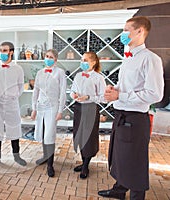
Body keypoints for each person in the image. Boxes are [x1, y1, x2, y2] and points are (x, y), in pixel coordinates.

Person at [98, 16, 164, 200]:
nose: (123, 33)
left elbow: (154, 94)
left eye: (127, 29)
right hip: (122, 115)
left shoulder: (151, 59)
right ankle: (119, 190)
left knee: (134, 161)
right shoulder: (128, 57)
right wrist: (115, 89)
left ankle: (136, 197)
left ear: (140, 31)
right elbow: (126, 85)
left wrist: (121, 95)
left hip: (135, 119)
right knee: (119, 156)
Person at [0, 41, 27, 170]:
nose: (2, 53)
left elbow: (21, 86)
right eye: (1, 50)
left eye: (5, 50)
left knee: (14, 129)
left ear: (11, 52)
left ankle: (16, 156)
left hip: (12, 102)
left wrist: (14, 96)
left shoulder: (18, 68)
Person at [70, 51, 106, 179]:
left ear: (93, 62)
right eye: (82, 60)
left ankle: (86, 165)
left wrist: (88, 97)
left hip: (91, 108)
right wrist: (73, 95)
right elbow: (72, 90)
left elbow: (103, 98)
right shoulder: (78, 75)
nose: (83, 63)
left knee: (89, 137)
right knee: (78, 135)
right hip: (78, 108)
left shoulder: (98, 78)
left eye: (86, 60)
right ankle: (83, 161)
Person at [31, 49, 66, 177]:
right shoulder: (40, 73)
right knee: (42, 131)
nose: (48, 58)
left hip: (52, 107)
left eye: (51, 57)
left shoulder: (60, 73)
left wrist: (60, 110)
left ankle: (50, 164)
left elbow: (63, 92)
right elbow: (36, 91)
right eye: (46, 56)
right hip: (41, 106)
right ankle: (45, 156)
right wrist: (34, 108)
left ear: (56, 59)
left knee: (49, 135)